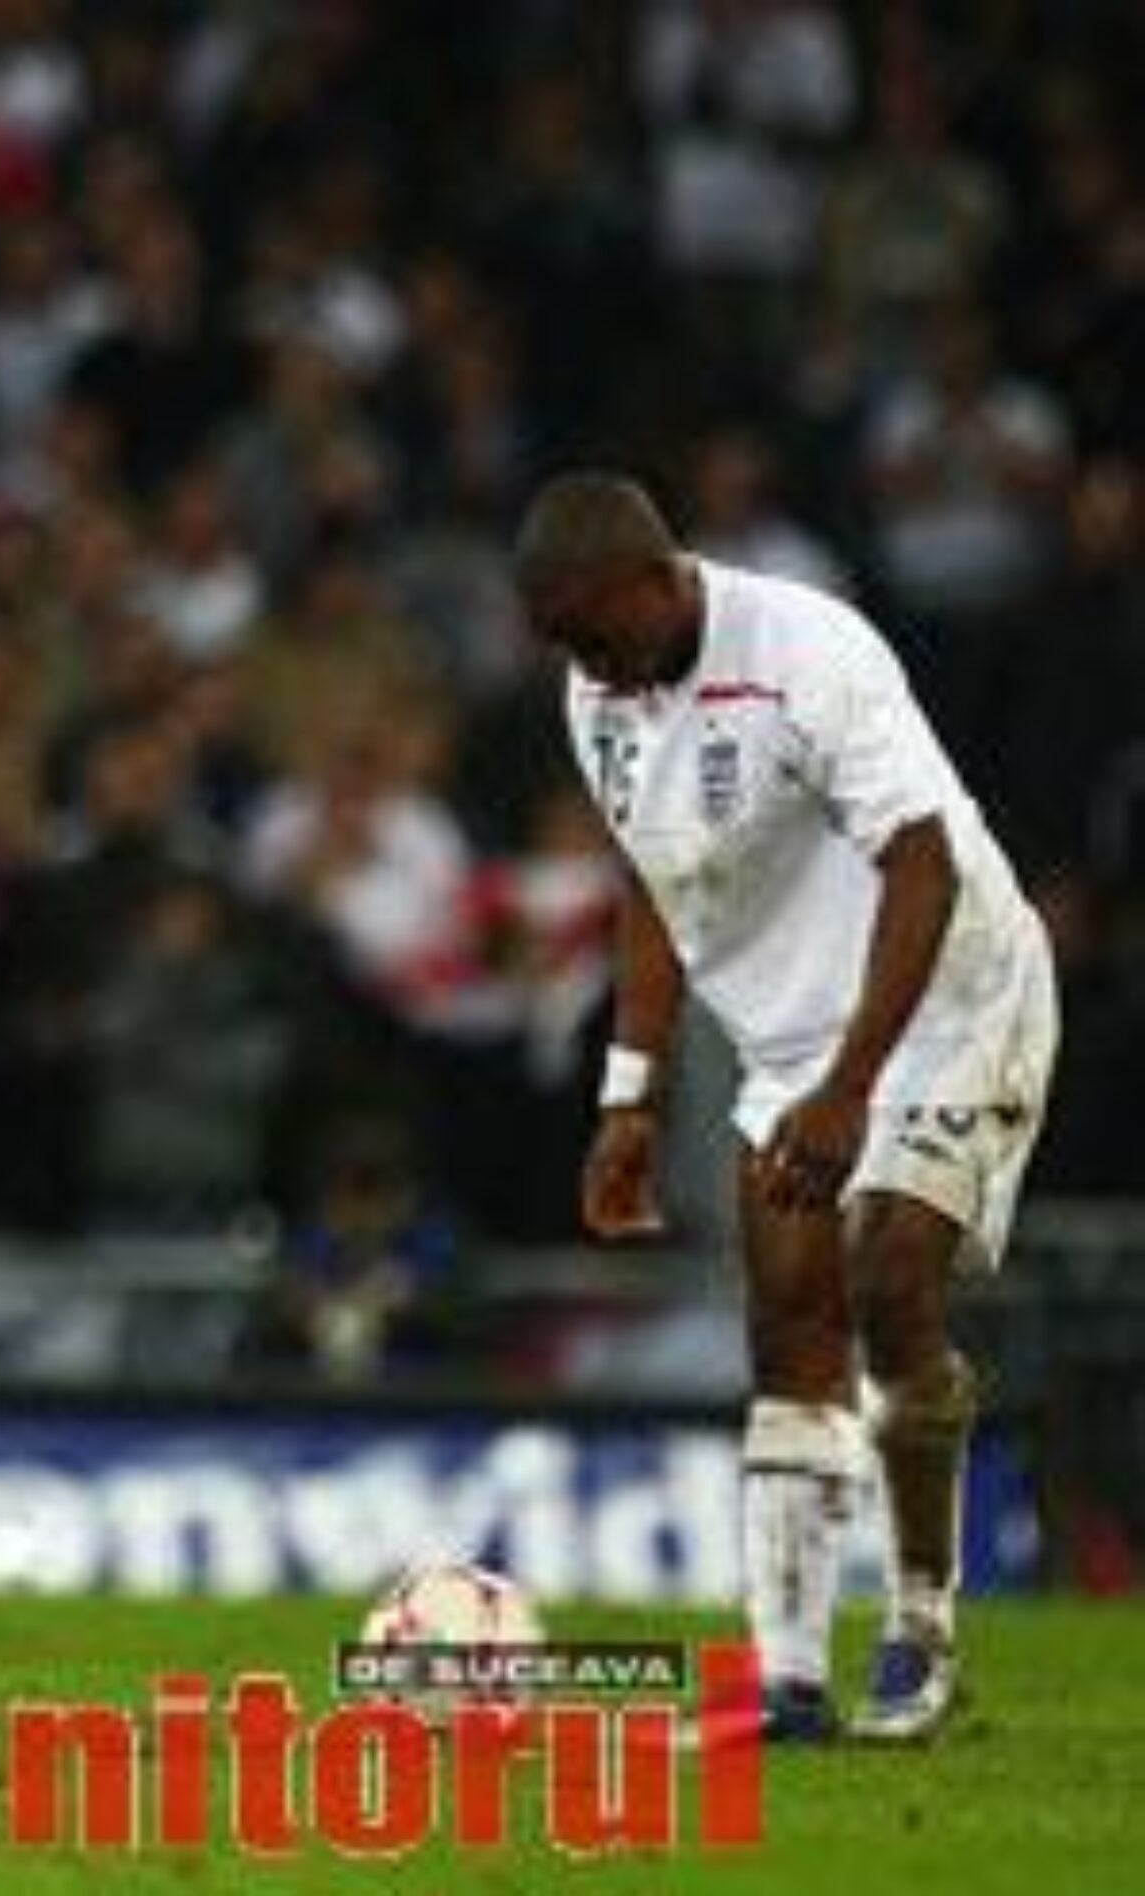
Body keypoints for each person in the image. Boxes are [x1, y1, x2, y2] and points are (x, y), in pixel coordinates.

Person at [512, 472, 1056, 1744]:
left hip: (951, 996)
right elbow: (652, 882)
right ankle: (791, 1684)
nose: (588, 668)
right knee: (789, 1321)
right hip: (791, 1039)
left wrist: (851, 1091)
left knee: (888, 1275)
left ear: (658, 579)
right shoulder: (599, 692)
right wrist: (631, 1095)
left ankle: (921, 1635)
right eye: (565, 647)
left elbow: (920, 863)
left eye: (596, 635)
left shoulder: (809, 652)